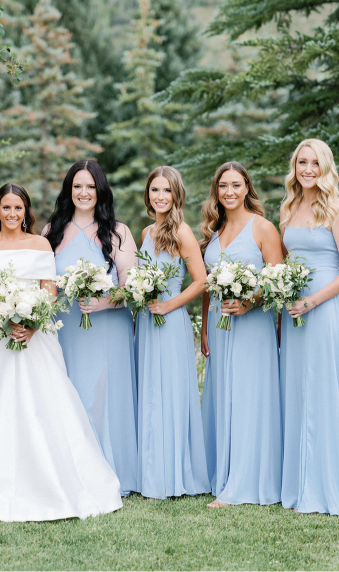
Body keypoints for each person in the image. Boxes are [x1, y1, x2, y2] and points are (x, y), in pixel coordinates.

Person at [0, 183, 123, 522]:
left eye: (18, 208)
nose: (12, 214)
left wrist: (31, 323)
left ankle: (52, 482)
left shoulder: (41, 244)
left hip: (37, 337)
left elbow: (49, 291)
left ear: (26, 212)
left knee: (46, 405)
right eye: (6, 207)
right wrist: (3, 320)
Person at [279, 138, 339, 515]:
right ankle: (302, 481)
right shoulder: (288, 208)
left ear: (325, 167)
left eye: (314, 163)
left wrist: (313, 301)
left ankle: (330, 484)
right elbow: (285, 260)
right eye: (302, 162)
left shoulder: (335, 207)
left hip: (324, 307)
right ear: (295, 166)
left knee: (323, 389)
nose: (307, 169)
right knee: (299, 391)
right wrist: (282, 292)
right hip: (294, 311)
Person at [43, 159, 138, 496]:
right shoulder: (51, 231)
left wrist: (103, 302)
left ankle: (111, 471)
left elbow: (132, 289)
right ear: (69, 191)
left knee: (104, 398)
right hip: (66, 328)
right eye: (77, 186)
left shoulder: (119, 232)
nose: (84, 193)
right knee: (71, 395)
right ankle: (72, 472)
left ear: (101, 190)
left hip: (108, 328)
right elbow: (42, 286)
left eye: (90, 186)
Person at [200, 162, 283, 508]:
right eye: (223, 186)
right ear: (216, 191)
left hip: (253, 327)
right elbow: (206, 285)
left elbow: (278, 280)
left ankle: (246, 482)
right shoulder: (213, 231)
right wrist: (203, 327)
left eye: (236, 184)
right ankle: (222, 474)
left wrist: (250, 302)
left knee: (249, 397)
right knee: (224, 394)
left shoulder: (263, 228)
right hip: (220, 327)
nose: (229, 192)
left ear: (247, 187)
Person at [134, 166, 210, 499]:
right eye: (155, 191)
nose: (160, 196)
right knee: (150, 392)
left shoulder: (182, 231)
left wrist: (169, 305)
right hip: (148, 322)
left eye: (166, 191)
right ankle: (151, 470)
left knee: (172, 391)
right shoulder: (146, 233)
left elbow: (201, 280)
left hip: (171, 318)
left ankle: (176, 473)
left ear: (176, 194)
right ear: (148, 195)